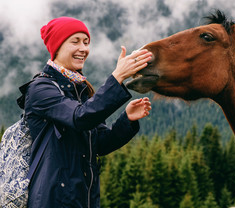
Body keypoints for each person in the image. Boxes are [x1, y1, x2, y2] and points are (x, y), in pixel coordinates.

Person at [22, 17, 152, 207]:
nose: (84, 48)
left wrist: (128, 119)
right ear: (57, 47)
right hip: (53, 200)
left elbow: (100, 143)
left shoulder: (80, 90)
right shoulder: (41, 89)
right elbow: (79, 118)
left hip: (84, 198)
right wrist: (117, 77)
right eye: (75, 41)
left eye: (86, 42)